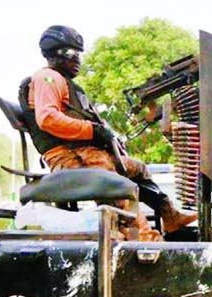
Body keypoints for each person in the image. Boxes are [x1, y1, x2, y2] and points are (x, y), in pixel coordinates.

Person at [19, 25, 197, 241]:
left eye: (79, 54)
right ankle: (144, 237)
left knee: (137, 168)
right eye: (70, 53)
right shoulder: (47, 78)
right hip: (67, 156)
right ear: (53, 53)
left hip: (85, 152)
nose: (77, 59)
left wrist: (109, 136)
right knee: (109, 177)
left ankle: (170, 216)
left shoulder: (70, 85)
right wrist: (92, 130)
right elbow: (47, 119)